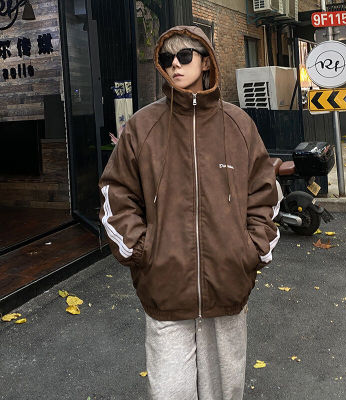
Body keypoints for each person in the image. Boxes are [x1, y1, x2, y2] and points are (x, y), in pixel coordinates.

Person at [99, 25, 280, 400]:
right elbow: (116, 194)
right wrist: (144, 250)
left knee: (225, 391)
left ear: (206, 62)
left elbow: (264, 193)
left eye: (184, 56)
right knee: (171, 391)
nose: (175, 65)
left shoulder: (238, 125)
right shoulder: (142, 127)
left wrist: (251, 250)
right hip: (165, 286)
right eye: (167, 59)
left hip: (228, 284)